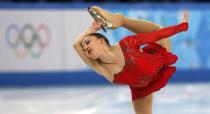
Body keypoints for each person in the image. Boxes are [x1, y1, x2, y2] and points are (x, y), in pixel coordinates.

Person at [73, 6, 189, 114]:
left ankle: (120, 20)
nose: (85, 47)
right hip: (141, 90)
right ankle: (119, 20)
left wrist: (182, 26)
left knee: (157, 30)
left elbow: (156, 35)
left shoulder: (126, 44)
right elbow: (76, 45)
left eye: (88, 42)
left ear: (102, 41)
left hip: (159, 55)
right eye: (84, 47)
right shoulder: (102, 68)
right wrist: (90, 30)